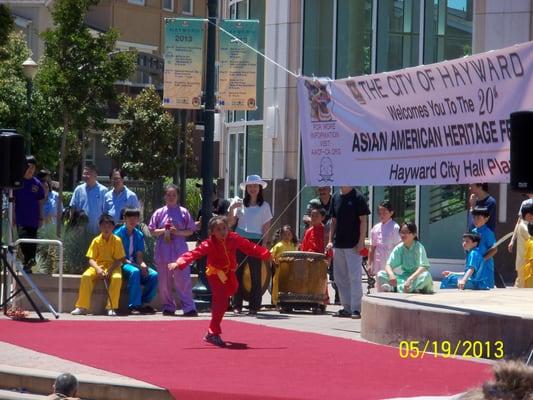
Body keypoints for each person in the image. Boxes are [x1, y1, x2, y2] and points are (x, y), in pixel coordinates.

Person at [169, 216, 271, 347]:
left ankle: (212, 329)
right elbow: (195, 253)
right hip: (215, 274)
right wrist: (179, 262)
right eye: (218, 229)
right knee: (221, 300)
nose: (222, 232)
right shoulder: (209, 243)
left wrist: (265, 253)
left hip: (229, 273)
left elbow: (249, 247)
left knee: (233, 289)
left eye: (224, 228)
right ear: (212, 232)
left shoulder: (234, 238)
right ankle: (213, 332)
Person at [149, 184, 197, 317]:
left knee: (183, 279)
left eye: (173, 195)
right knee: (164, 281)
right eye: (168, 195)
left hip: (179, 249)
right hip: (163, 249)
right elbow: (152, 231)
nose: (171, 197)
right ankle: (168, 306)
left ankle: (188, 307)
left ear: (178, 196)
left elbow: (190, 230)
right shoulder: (159, 213)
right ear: (164, 196)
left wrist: (178, 232)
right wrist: (165, 230)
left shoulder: (183, 212)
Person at [228, 175, 273, 315]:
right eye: (250, 186)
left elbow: (266, 226)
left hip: (256, 241)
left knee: (256, 273)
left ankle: (254, 306)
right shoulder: (240, 203)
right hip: (240, 239)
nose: (252, 188)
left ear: (259, 188)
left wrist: (264, 244)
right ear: (246, 188)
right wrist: (231, 209)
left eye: (255, 186)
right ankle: (237, 304)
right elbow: (230, 223)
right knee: (237, 272)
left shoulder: (265, 206)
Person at [325, 186, 370, 319]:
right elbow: (333, 221)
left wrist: (361, 241)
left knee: (354, 277)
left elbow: (363, 221)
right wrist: (330, 240)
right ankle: (347, 307)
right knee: (339, 277)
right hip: (338, 244)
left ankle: (356, 309)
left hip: (354, 245)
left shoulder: (358, 197)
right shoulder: (335, 197)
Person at [71, 214, 125, 316]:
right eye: (104, 226)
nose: (106, 229)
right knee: (86, 276)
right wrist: (97, 269)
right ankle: (81, 307)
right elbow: (91, 259)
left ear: (113, 227)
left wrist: (109, 270)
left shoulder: (117, 240)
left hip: (113, 266)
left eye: (109, 226)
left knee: (117, 278)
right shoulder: (96, 240)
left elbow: (119, 260)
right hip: (97, 266)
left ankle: (111, 307)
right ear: (100, 227)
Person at [114, 208, 158, 313]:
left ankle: (144, 303)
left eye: (135, 218)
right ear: (124, 219)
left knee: (154, 275)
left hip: (134, 264)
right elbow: (122, 259)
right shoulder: (117, 234)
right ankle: (133, 305)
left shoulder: (139, 234)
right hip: (121, 264)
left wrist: (143, 265)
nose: (133, 220)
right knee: (135, 272)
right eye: (130, 217)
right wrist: (138, 267)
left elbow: (139, 257)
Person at [376, 222, 434, 294]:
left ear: (414, 234)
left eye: (406, 232)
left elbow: (424, 266)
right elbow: (388, 265)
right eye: (402, 232)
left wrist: (410, 279)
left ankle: (395, 289)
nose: (403, 235)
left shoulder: (419, 247)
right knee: (381, 274)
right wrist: (391, 275)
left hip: (416, 277)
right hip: (404, 278)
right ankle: (406, 289)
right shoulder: (399, 247)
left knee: (426, 276)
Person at [13, 155, 45, 273]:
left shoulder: (37, 183)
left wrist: (41, 217)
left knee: (32, 240)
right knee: (23, 239)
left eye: (33, 167)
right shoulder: (17, 182)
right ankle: (29, 260)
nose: (30, 169)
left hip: (33, 218)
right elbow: (13, 200)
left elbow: (40, 201)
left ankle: (28, 263)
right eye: (28, 166)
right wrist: (12, 216)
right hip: (21, 218)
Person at [70, 164, 108, 234]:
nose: (85, 176)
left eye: (88, 173)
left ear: (95, 175)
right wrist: (71, 225)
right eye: (84, 173)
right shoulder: (79, 189)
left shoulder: (103, 191)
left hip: (97, 231)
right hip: (80, 231)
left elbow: (106, 212)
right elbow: (73, 208)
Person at [368, 201, 401, 281]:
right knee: (379, 288)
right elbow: (372, 247)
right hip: (378, 263)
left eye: (385, 212)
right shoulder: (376, 228)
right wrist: (369, 264)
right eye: (380, 212)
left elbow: (399, 248)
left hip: (392, 266)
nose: (382, 215)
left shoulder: (395, 227)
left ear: (391, 213)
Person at [508, 193, 533, 287]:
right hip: (525, 260)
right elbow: (530, 237)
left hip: (526, 260)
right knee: (523, 283)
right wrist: (512, 240)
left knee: (521, 282)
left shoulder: (527, 224)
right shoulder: (523, 225)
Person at [270, 225, 298, 305]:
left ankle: (288, 300)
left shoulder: (293, 246)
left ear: (292, 235)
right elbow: (271, 255)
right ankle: (275, 301)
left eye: (289, 234)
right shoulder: (278, 245)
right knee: (277, 284)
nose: (287, 236)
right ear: (281, 235)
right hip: (279, 269)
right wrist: (274, 262)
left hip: (290, 270)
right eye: (285, 234)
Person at [471, 206, 497, 289]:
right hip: (475, 264)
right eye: (474, 217)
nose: (475, 220)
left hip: (486, 265)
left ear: (486, 219)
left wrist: (483, 259)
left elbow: (494, 249)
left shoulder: (488, 233)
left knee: (486, 288)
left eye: (478, 218)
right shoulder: (473, 232)